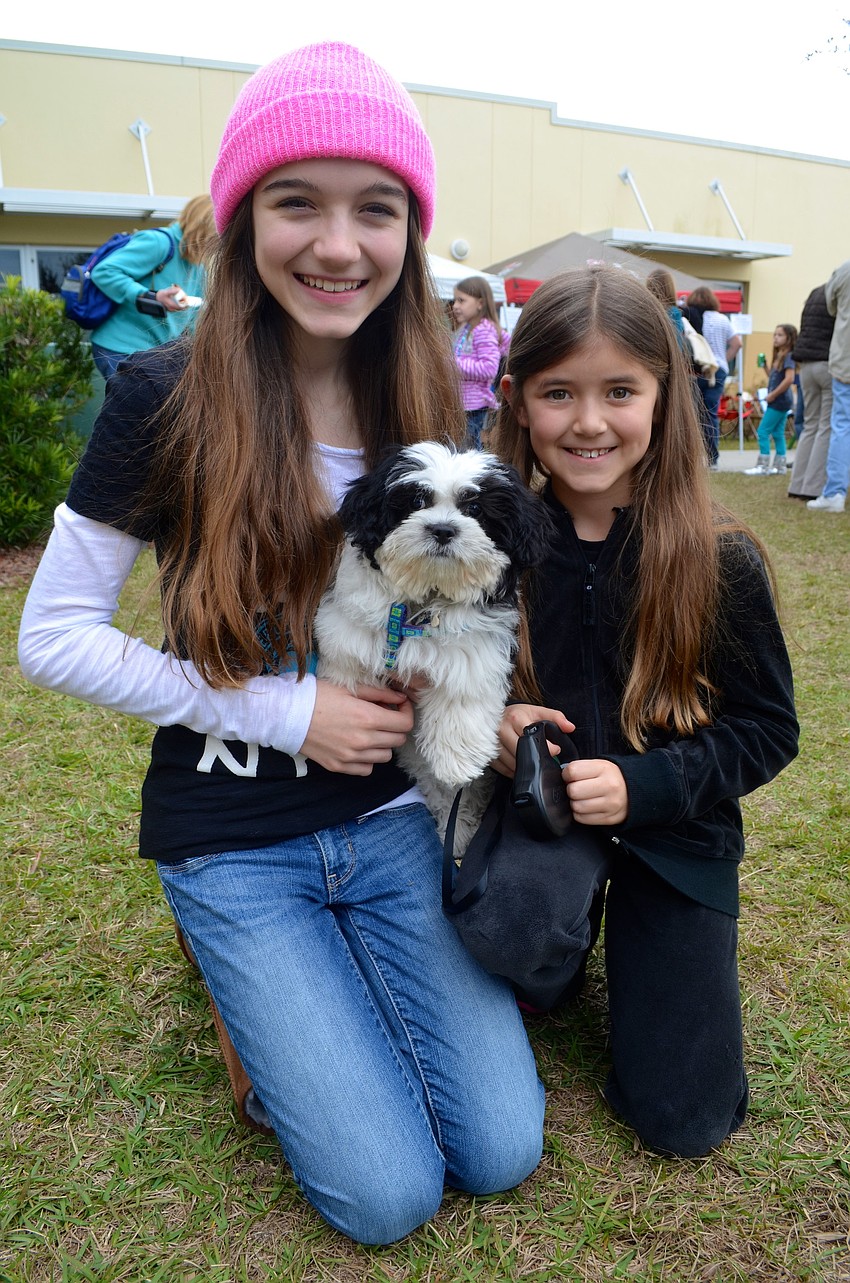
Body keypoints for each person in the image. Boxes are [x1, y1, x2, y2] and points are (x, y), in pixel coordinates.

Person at [18, 42, 544, 1245]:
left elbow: (451, 605)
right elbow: (49, 638)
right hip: (233, 837)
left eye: (376, 208)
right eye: (295, 200)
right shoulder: (163, 396)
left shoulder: (423, 410)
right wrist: (281, 709)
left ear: (410, 235)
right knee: (387, 1194)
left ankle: (324, 987)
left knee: (502, 1150)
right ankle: (242, 976)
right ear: (244, 213)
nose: (337, 244)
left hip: (385, 821)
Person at [489, 266, 798, 1159]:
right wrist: (498, 724)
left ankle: (632, 947)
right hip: (539, 828)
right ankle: (552, 952)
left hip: (676, 833)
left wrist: (646, 786)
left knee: (683, 1120)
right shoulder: (491, 550)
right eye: (559, 393)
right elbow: (439, 680)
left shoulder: (718, 559)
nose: (589, 421)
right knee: (509, 937)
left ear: (664, 396)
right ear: (516, 401)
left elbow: (769, 728)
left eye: (620, 390)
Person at [89, 195, 217, 380]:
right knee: (133, 408)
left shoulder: (199, 262)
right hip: (120, 347)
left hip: (155, 353)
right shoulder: (159, 242)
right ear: (204, 226)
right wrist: (149, 296)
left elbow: (196, 318)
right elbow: (104, 272)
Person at [682, 286, 742, 469]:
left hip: (699, 368)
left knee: (692, 413)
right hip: (719, 369)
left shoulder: (691, 317)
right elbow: (736, 343)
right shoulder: (722, 319)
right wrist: (724, 358)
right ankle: (712, 458)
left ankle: (691, 455)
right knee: (711, 413)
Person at [808, 256, 850, 513]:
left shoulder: (844, 270)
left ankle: (834, 492)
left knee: (842, 425)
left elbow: (830, 305)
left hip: (845, 359)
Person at [787, 285, 835, 499]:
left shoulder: (816, 293)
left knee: (810, 425)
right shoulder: (840, 292)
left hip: (806, 365)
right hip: (828, 364)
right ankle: (813, 488)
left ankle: (796, 484)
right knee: (825, 427)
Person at [452, 275, 504, 448]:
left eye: (461, 300)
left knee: (470, 448)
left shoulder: (483, 330)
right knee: (467, 445)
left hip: (474, 404)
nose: (455, 306)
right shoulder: (468, 328)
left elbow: (489, 368)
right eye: (455, 300)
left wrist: (454, 365)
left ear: (480, 303)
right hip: (465, 402)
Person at [744, 323, 797, 476]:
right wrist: (766, 367)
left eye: (780, 335)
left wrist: (772, 395)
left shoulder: (788, 356)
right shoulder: (780, 355)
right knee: (778, 433)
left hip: (779, 401)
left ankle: (763, 466)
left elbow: (789, 379)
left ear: (789, 338)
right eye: (775, 334)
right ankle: (780, 466)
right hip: (781, 401)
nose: (775, 338)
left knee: (762, 431)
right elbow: (774, 378)